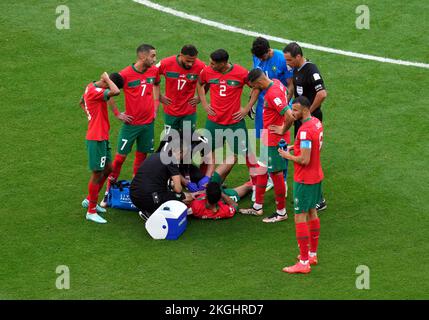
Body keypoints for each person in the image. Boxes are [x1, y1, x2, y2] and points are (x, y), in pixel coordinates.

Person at [103, 44, 161, 205]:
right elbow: (108, 91)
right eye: (152, 56)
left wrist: (156, 105)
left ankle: (136, 192)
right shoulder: (125, 74)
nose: (155, 59)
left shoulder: (153, 71)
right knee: (120, 158)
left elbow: (156, 84)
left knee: (141, 159)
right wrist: (117, 113)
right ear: (142, 57)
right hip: (131, 125)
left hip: (148, 124)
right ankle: (108, 192)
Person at [239, 69, 295, 223]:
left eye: (253, 87)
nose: (253, 90)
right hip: (268, 137)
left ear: (258, 83)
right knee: (262, 170)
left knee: (276, 175)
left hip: (275, 140)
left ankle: (281, 212)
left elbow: (290, 115)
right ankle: (257, 207)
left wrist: (283, 129)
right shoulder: (276, 82)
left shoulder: (272, 94)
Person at [196, 49, 260, 184]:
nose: (210, 66)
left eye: (213, 64)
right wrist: (204, 103)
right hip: (214, 121)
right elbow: (200, 83)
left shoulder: (241, 72)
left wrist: (247, 108)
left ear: (224, 63)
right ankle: (202, 182)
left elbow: (256, 87)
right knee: (207, 152)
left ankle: (256, 185)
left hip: (234, 122)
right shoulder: (208, 71)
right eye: (210, 63)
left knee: (246, 155)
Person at [278, 96, 323, 274]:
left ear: (304, 109)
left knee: (300, 216)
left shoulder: (304, 130)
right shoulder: (317, 123)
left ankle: (304, 262)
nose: (292, 113)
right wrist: (293, 146)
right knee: (312, 211)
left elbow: (304, 159)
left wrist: (286, 155)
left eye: (295, 110)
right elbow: (312, 147)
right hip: (317, 175)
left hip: (304, 179)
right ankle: (312, 254)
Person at [283, 42, 328, 211]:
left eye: (289, 60)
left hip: (310, 121)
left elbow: (322, 93)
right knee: (307, 157)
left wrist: (308, 112)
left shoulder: (311, 70)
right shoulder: (296, 69)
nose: (288, 63)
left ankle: (319, 200)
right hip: (302, 120)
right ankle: (315, 197)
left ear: (298, 56)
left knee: (311, 160)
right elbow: (295, 87)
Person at [251, 37, 294, 199]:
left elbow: (290, 84)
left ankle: (282, 179)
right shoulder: (257, 56)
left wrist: (285, 104)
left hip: (278, 106)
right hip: (265, 106)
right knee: (265, 141)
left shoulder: (282, 59)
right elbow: (256, 80)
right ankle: (270, 175)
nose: (260, 60)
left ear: (269, 51)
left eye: (262, 57)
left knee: (279, 142)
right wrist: (251, 104)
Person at [80, 72, 122, 223]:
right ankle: (91, 211)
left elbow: (81, 102)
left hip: (102, 136)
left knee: (108, 169)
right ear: (106, 83)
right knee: (97, 173)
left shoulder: (90, 87)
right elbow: (115, 92)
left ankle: (90, 199)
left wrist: (91, 117)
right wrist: (108, 79)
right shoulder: (96, 91)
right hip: (96, 138)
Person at [130, 139, 193, 215]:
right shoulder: (172, 161)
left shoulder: (156, 155)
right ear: (180, 152)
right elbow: (178, 189)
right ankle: (151, 212)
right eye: (184, 154)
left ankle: (148, 209)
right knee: (187, 197)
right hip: (150, 199)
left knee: (166, 192)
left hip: (133, 196)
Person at [157, 44, 206, 133]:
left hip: (189, 111)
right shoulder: (166, 63)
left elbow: (209, 79)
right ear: (181, 55)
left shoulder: (200, 66)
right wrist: (159, 96)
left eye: (193, 61)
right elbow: (150, 74)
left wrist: (200, 97)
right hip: (170, 110)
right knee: (170, 140)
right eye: (187, 61)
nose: (190, 64)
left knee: (187, 140)